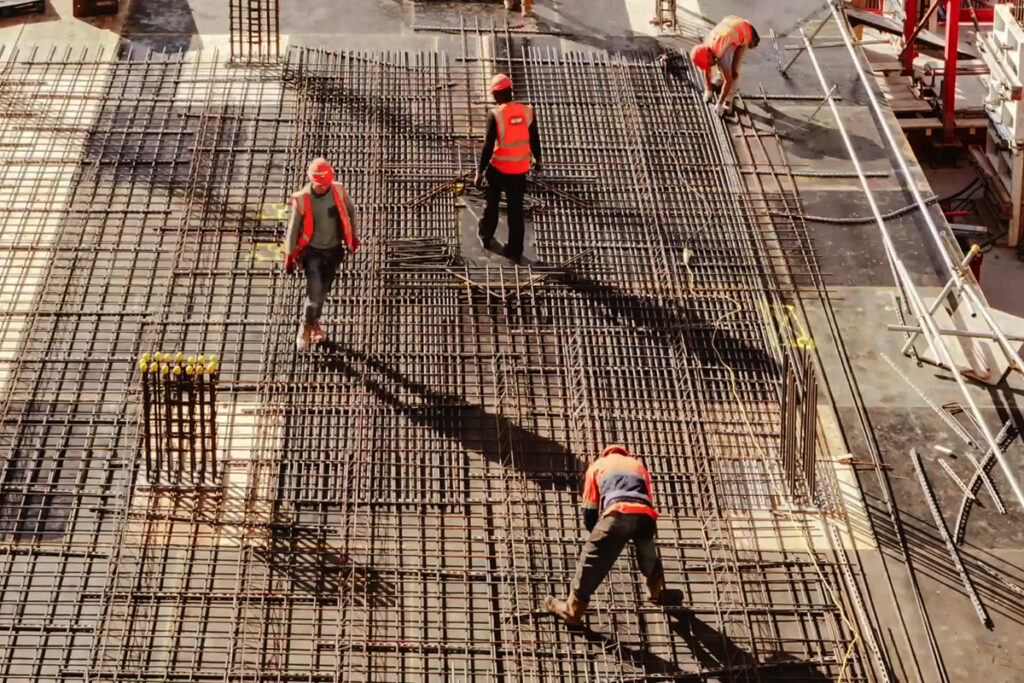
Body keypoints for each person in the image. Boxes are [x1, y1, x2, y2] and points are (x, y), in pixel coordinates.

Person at [546, 445, 666, 627]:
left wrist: (599, 536)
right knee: (647, 549)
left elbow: (589, 509)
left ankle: (572, 611)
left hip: (617, 513)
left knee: (589, 560)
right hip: (646, 515)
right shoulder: (638, 466)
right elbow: (647, 497)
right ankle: (655, 592)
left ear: (605, 454)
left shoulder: (597, 465)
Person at [284, 158, 360, 351]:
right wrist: (289, 255)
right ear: (311, 181)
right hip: (313, 252)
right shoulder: (302, 199)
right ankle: (306, 328)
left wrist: (353, 238)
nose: (321, 188)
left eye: (324, 185)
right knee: (315, 292)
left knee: (323, 291)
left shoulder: (338, 190)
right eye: (318, 185)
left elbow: (351, 211)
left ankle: (314, 322)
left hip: (334, 251)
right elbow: (293, 229)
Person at [474, 73, 542, 266]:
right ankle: (515, 249)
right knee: (515, 212)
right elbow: (534, 138)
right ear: (511, 91)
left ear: (496, 95)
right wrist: (538, 159)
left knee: (492, 205)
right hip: (519, 170)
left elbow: (488, 146)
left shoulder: (495, 114)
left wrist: (480, 172)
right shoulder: (527, 112)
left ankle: (486, 235)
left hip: (498, 169)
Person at [689, 16, 759, 117]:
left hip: (746, 32)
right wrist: (708, 89)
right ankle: (720, 79)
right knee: (721, 63)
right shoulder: (706, 47)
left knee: (734, 72)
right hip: (732, 25)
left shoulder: (722, 52)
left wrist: (720, 103)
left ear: (708, 54)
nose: (709, 66)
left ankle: (728, 100)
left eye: (708, 63)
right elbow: (707, 68)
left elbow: (729, 80)